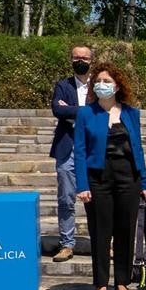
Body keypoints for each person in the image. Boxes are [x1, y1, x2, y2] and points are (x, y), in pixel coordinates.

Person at [73, 63, 146, 290]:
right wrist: (82, 185)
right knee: (100, 231)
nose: (102, 85)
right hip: (99, 178)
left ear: (117, 86)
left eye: (107, 81)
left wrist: (144, 181)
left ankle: (123, 281)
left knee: (125, 230)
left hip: (128, 177)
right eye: (99, 81)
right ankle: (100, 283)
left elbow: (137, 148)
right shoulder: (86, 113)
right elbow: (80, 151)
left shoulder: (130, 113)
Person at [49, 44, 93, 263]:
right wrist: (86, 112)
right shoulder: (63, 85)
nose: (80, 61)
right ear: (71, 60)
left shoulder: (99, 85)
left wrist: (73, 112)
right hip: (68, 147)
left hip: (94, 148)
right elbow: (58, 109)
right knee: (66, 198)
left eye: (84, 57)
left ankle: (104, 242)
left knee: (97, 199)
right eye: (77, 57)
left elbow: (104, 111)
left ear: (91, 60)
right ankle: (67, 244)